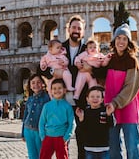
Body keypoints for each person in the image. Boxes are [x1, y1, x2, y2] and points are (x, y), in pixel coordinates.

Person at [39, 15, 89, 159]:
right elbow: (41, 69)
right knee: (62, 145)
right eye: (73, 27)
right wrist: (54, 71)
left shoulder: (88, 49)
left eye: (79, 28)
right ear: (68, 29)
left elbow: (100, 70)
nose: (76, 30)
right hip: (62, 102)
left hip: (81, 102)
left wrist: (89, 68)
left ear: (83, 31)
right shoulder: (59, 47)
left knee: (82, 140)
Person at [102, 23, 139, 159]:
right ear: (114, 40)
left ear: (128, 42)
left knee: (132, 147)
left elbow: (131, 86)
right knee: (113, 147)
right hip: (110, 107)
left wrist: (115, 103)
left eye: (124, 39)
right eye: (118, 38)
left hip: (127, 106)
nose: (121, 41)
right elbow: (100, 78)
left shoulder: (132, 61)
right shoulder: (109, 59)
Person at [39, 79, 75, 159]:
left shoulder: (67, 106)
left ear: (64, 90)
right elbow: (42, 122)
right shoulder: (47, 106)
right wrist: (43, 136)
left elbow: (72, 123)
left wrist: (66, 137)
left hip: (61, 137)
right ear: (51, 91)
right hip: (48, 137)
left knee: (62, 157)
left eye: (59, 88)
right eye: (54, 88)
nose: (57, 90)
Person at [75, 86, 114, 159]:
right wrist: (81, 119)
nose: (95, 98)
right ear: (87, 99)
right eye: (92, 96)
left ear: (102, 99)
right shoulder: (85, 112)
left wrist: (109, 115)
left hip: (104, 148)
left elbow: (112, 125)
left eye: (98, 96)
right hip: (89, 148)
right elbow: (82, 129)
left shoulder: (105, 111)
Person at [22, 74, 50, 159]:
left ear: (43, 84)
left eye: (38, 82)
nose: (36, 85)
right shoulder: (30, 99)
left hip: (40, 131)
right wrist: (23, 132)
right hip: (28, 130)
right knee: (32, 155)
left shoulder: (47, 98)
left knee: (42, 155)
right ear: (30, 86)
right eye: (33, 83)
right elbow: (25, 116)